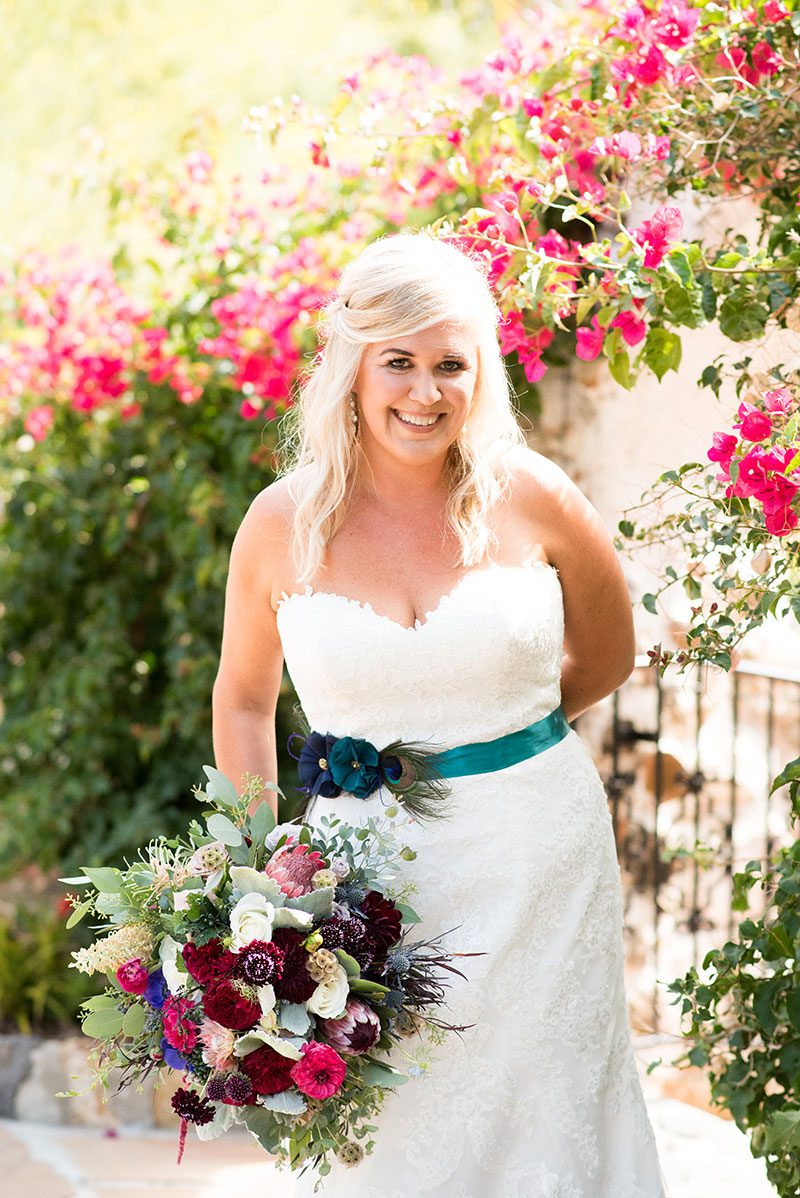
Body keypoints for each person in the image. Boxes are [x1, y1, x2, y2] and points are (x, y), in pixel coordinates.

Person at [211, 230, 669, 1197]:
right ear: (353, 366)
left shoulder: (534, 495)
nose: (425, 393)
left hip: (541, 862)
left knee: (549, 1109)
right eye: (400, 363)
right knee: (395, 1134)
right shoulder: (280, 523)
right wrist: (267, 878)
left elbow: (612, 652)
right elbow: (245, 700)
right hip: (366, 884)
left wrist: (511, 741)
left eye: (450, 364)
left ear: (481, 371)